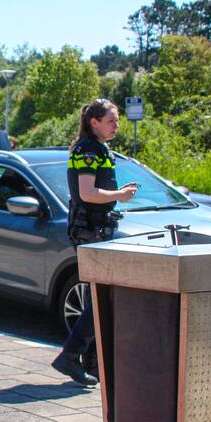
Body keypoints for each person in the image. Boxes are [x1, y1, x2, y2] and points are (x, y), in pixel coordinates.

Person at [50, 99, 138, 386]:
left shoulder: (96, 148)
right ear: (94, 122)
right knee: (102, 297)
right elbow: (87, 193)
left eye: (117, 120)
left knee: (96, 296)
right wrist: (120, 195)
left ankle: (90, 362)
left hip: (96, 227)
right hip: (90, 229)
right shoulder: (88, 149)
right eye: (111, 120)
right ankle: (71, 355)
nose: (117, 125)